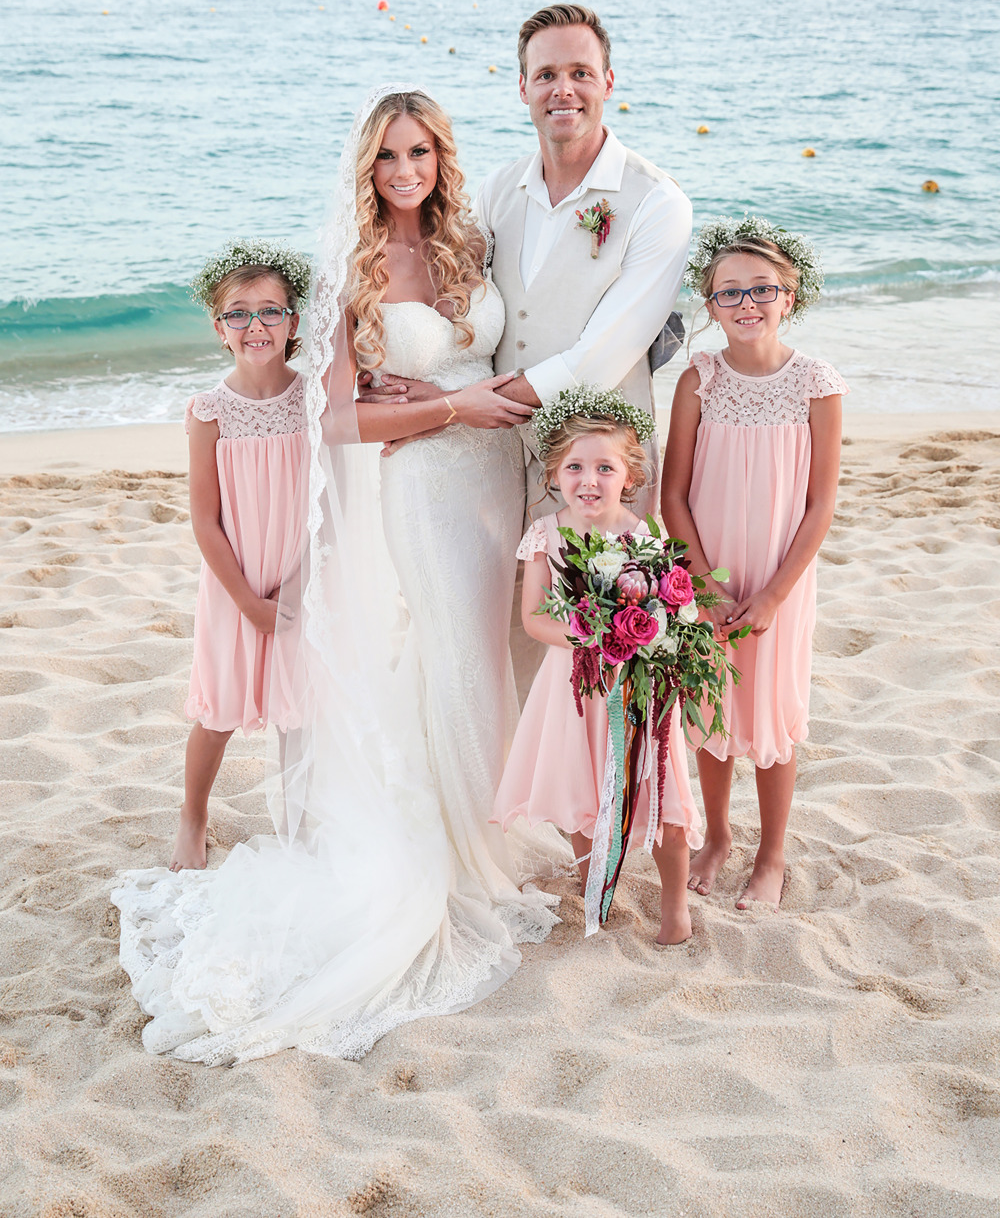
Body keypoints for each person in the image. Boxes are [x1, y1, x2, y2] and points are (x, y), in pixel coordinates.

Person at [112, 86, 563, 1067]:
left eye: (420, 154)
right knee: (451, 656)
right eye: (388, 158)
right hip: (427, 484)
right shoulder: (354, 274)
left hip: (504, 472)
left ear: (441, 159)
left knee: (494, 655)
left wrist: (497, 396)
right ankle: (462, 859)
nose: (405, 173)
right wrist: (450, 408)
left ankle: (492, 820)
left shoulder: (473, 246)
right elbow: (337, 419)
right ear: (367, 169)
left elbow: (507, 346)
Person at [360, 5, 692, 699]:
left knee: (597, 669)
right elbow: (445, 299)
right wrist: (424, 396)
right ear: (522, 89)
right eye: (546, 74)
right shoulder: (497, 190)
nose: (562, 90)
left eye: (578, 72)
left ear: (608, 79)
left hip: (596, 471)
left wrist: (455, 407)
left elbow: (605, 352)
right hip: (487, 470)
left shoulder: (657, 202)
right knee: (499, 656)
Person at [660, 217, 848, 910]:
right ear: (708, 307)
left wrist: (771, 595)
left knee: (771, 708)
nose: (747, 304)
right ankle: (717, 837)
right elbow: (672, 494)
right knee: (711, 707)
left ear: (789, 295)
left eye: (761, 290)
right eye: (729, 294)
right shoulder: (699, 379)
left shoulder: (816, 384)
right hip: (707, 574)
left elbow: (821, 504)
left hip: (778, 577)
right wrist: (703, 588)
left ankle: (772, 853)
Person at [492, 392, 703, 945]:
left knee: (661, 793)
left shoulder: (645, 534)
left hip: (638, 690)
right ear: (554, 474)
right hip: (572, 690)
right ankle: (595, 891)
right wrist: (595, 634)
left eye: (605, 467)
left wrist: (648, 637)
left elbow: (673, 609)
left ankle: (675, 905)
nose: (589, 480)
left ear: (629, 475)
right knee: (581, 797)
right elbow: (536, 619)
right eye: (575, 467)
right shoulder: (546, 535)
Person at [169, 240, 311, 872]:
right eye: (238, 313)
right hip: (235, 583)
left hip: (301, 578)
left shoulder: (315, 401)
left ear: (295, 322)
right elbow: (204, 520)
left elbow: (328, 508)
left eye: (271, 311)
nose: (256, 325)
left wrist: (298, 587)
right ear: (218, 328)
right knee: (220, 708)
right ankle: (193, 814)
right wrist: (248, 601)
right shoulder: (209, 412)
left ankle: (305, 826)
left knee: (302, 708)